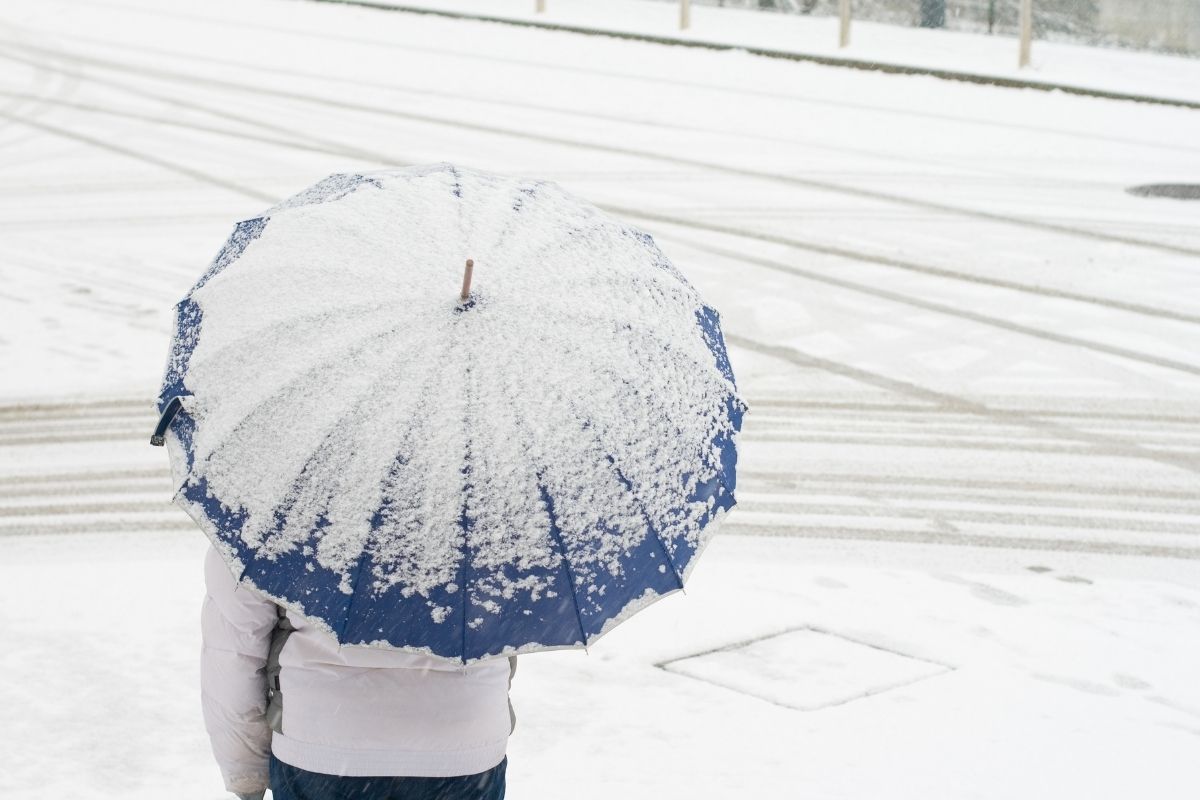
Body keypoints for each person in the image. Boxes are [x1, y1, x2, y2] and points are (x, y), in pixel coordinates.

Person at [201, 545, 515, 800]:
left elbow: (233, 655)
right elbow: (509, 631)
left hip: (322, 746)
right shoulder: (491, 496)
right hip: (463, 742)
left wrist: (246, 772)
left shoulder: (273, 499)